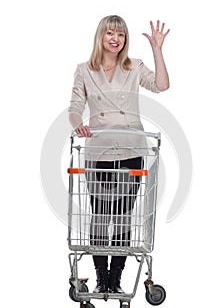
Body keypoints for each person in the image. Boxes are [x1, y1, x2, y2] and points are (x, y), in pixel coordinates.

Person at [68, 15, 170, 293]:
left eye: (121, 35)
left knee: (125, 215)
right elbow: (75, 105)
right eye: (111, 33)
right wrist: (78, 123)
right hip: (98, 152)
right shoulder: (84, 70)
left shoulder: (134, 66)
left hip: (130, 149)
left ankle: (116, 280)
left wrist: (157, 50)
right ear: (100, 36)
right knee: (100, 215)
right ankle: (101, 277)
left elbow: (161, 85)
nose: (116, 39)